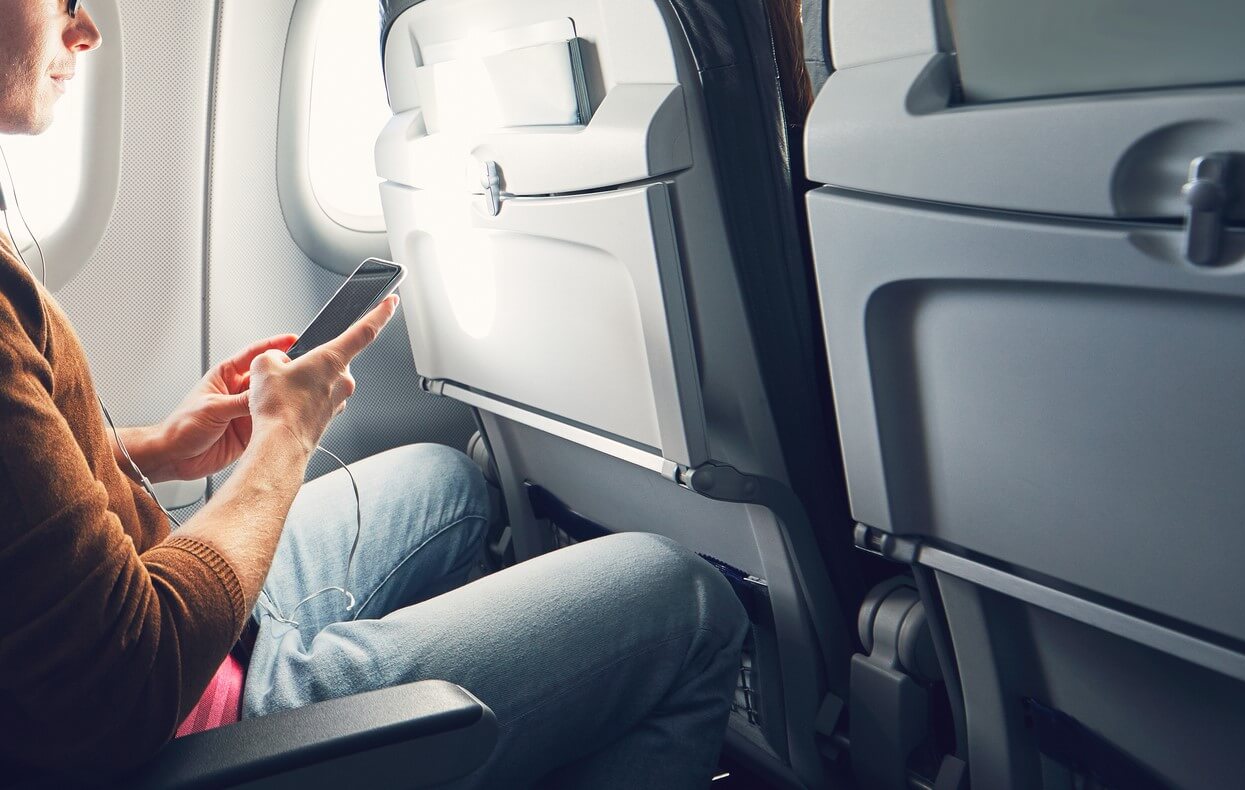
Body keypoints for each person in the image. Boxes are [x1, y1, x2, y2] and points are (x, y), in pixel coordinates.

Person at [0, 2, 748, 787]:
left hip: (179, 623)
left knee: (446, 487)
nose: (85, 28)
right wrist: (284, 438)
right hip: (192, 723)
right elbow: (123, 687)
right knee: (689, 603)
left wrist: (150, 448)